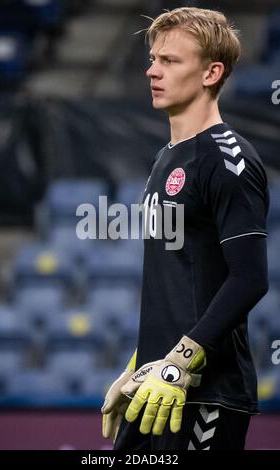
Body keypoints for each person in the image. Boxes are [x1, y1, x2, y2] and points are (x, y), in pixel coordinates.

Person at [101, 7, 269, 450]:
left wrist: (175, 366)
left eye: (170, 61)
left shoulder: (228, 159)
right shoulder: (165, 159)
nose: (152, 70)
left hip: (205, 397)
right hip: (155, 385)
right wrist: (137, 365)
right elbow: (178, 282)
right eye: (154, 59)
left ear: (212, 72)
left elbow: (249, 279)